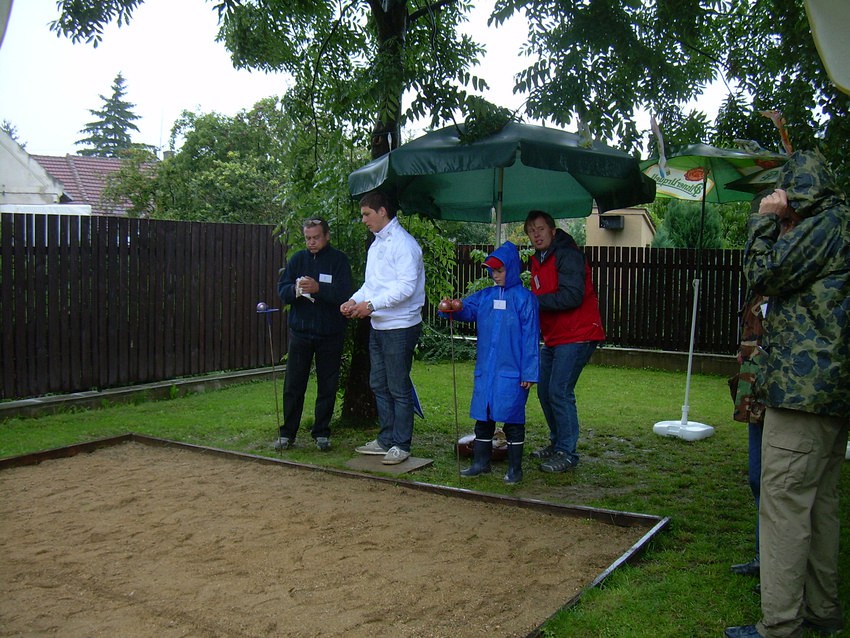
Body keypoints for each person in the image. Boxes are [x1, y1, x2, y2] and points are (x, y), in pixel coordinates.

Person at [725, 150, 849, 638]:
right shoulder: (840, 223)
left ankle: (779, 625)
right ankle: (822, 609)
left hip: (802, 393)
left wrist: (764, 221)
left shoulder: (823, 226)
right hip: (829, 393)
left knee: (783, 503)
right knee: (820, 504)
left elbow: (763, 274)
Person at [727, 194, 801, 580]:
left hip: (787, 386)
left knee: (782, 483)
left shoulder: (801, 261)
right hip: (756, 382)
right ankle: (763, 558)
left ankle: (780, 569)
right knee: (759, 477)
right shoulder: (765, 264)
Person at [440, 242, 539, 484]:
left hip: (513, 372)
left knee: (513, 419)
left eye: (500, 270)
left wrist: (529, 372)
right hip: (487, 370)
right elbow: (465, 309)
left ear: (512, 268)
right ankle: (480, 463)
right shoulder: (486, 296)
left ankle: (515, 469)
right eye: (492, 270)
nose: (495, 275)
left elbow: (531, 337)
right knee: (483, 418)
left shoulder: (525, 299)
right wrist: (450, 308)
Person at [340, 190, 425, 465]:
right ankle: (386, 439)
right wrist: (354, 300)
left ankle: (402, 444)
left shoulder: (405, 244)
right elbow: (371, 285)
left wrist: (371, 305)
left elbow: (406, 288)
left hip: (401, 326)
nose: (364, 220)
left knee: (398, 386)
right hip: (379, 325)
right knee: (378, 382)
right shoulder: (376, 245)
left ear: (382, 211)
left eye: (367, 214)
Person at [523, 210, 605, 473]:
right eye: (531, 231)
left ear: (553, 230)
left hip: (578, 334)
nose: (536, 234)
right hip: (555, 337)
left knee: (559, 391)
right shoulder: (539, 260)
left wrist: (533, 301)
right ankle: (558, 443)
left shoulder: (567, 255)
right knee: (545, 391)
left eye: (540, 229)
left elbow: (572, 296)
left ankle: (567, 453)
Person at [273, 218, 352, 452]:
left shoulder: (339, 261)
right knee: (294, 384)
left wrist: (319, 289)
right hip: (301, 333)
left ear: (327, 236)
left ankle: (321, 433)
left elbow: (345, 294)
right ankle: (287, 433)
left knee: (327, 385)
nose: (311, 242)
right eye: (308, 238)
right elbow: (282, 291)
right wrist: (295, 290)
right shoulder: (298, 259)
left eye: (316, 237)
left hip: (330, 333)